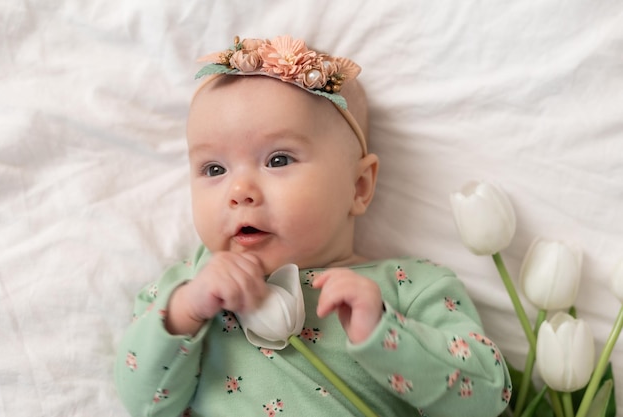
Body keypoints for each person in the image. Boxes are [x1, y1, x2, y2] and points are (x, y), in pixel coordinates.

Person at [114, 35, 511, 417]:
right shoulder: (185, 290)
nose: (239, 191)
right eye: (213, 169)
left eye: (279, 160)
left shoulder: (409, 287)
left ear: (358, 187)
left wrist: (385, 334)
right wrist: (185, 311)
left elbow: (489, 396)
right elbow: (144, 403)